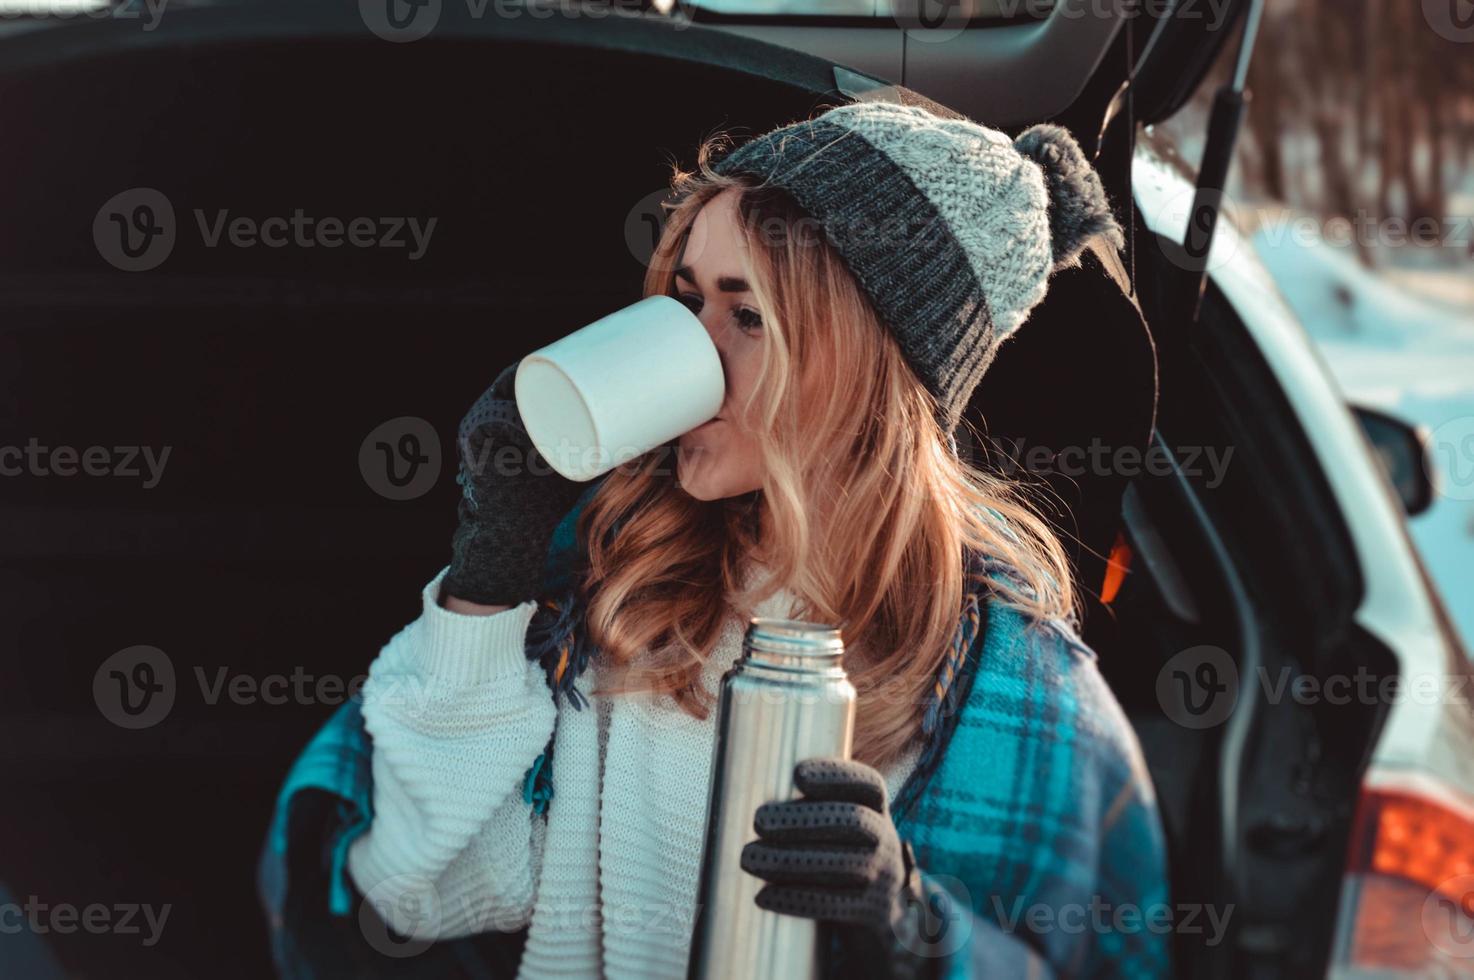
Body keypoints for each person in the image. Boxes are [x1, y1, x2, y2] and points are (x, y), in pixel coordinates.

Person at [259, 98, 1171, 980]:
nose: (692, 351)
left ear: (863, 361)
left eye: (747, 316)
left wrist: (919, 940)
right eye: (687, 299)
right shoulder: (625, 581)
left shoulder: (1010, 679)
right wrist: (489, 570)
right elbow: (420, 888)